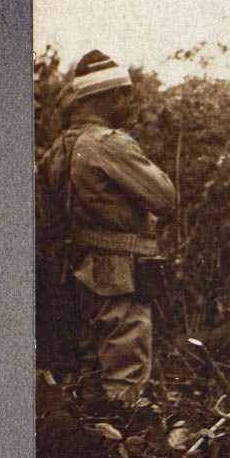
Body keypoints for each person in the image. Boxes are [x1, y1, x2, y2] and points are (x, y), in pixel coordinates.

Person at [35, 50, 176, 404]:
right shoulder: (109, 144)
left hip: (79, 272)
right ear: (111, 96)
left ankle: (98, 447)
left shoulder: (58, 149)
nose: (130, 102)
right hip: (119, 276)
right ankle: (123, 448)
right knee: (125, 377)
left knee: (90, 372)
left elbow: (48, 220)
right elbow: (164, 198)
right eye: (126, 94)